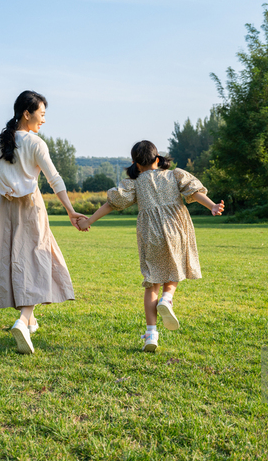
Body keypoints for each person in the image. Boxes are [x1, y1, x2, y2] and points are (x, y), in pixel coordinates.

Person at [0, 90, 87, 354]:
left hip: (4, 209)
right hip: (30, 208)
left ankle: (30, 319)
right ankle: (24, 319)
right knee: (37, 261)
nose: (44, 120)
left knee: (13, 260)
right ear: (27, 114)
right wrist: (71, 211)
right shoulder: (36, 143)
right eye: (42, 114)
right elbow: (54, 179)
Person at [77, 140, 224, 352]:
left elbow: (112, 203)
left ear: (136, 164)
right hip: (176, 228)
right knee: (176, 267)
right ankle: (168, 297)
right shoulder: (174, 175)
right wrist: (212, 206)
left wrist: (89, 221)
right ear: (157, 159)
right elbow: (193, 192)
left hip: (150, 233)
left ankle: (151, 334)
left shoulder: (134, 183)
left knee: (152, 281)